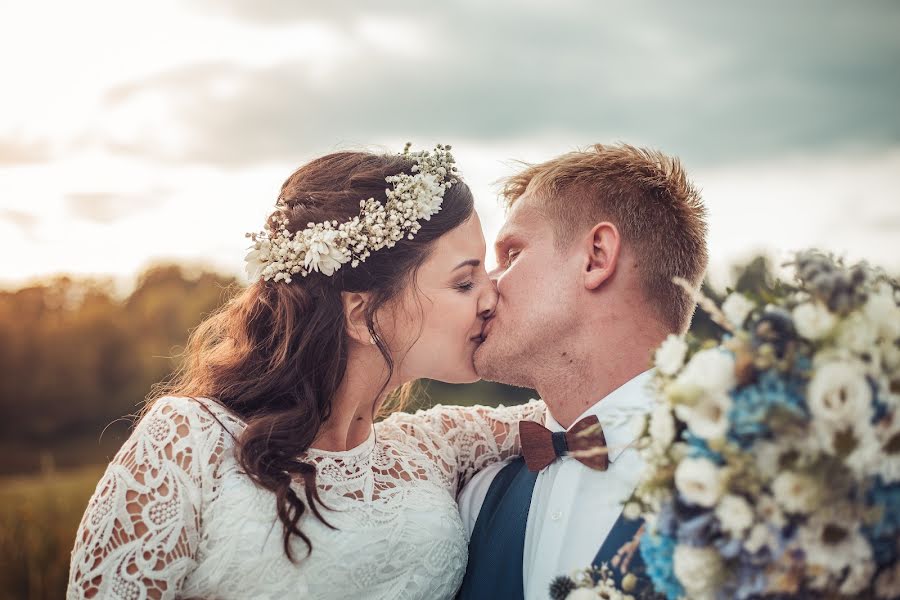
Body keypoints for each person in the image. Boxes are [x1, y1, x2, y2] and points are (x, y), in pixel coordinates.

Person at [67, 145, 546, 600]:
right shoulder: (187, 440)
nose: (492, 295)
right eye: (465, 282)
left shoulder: (438, 447)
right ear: (361, 314)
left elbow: (593, 403)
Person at [457, 144, 708, 600]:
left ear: (596, 256)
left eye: (512, 254)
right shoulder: (477, 498)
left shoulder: (753, 477)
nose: (488, 286)